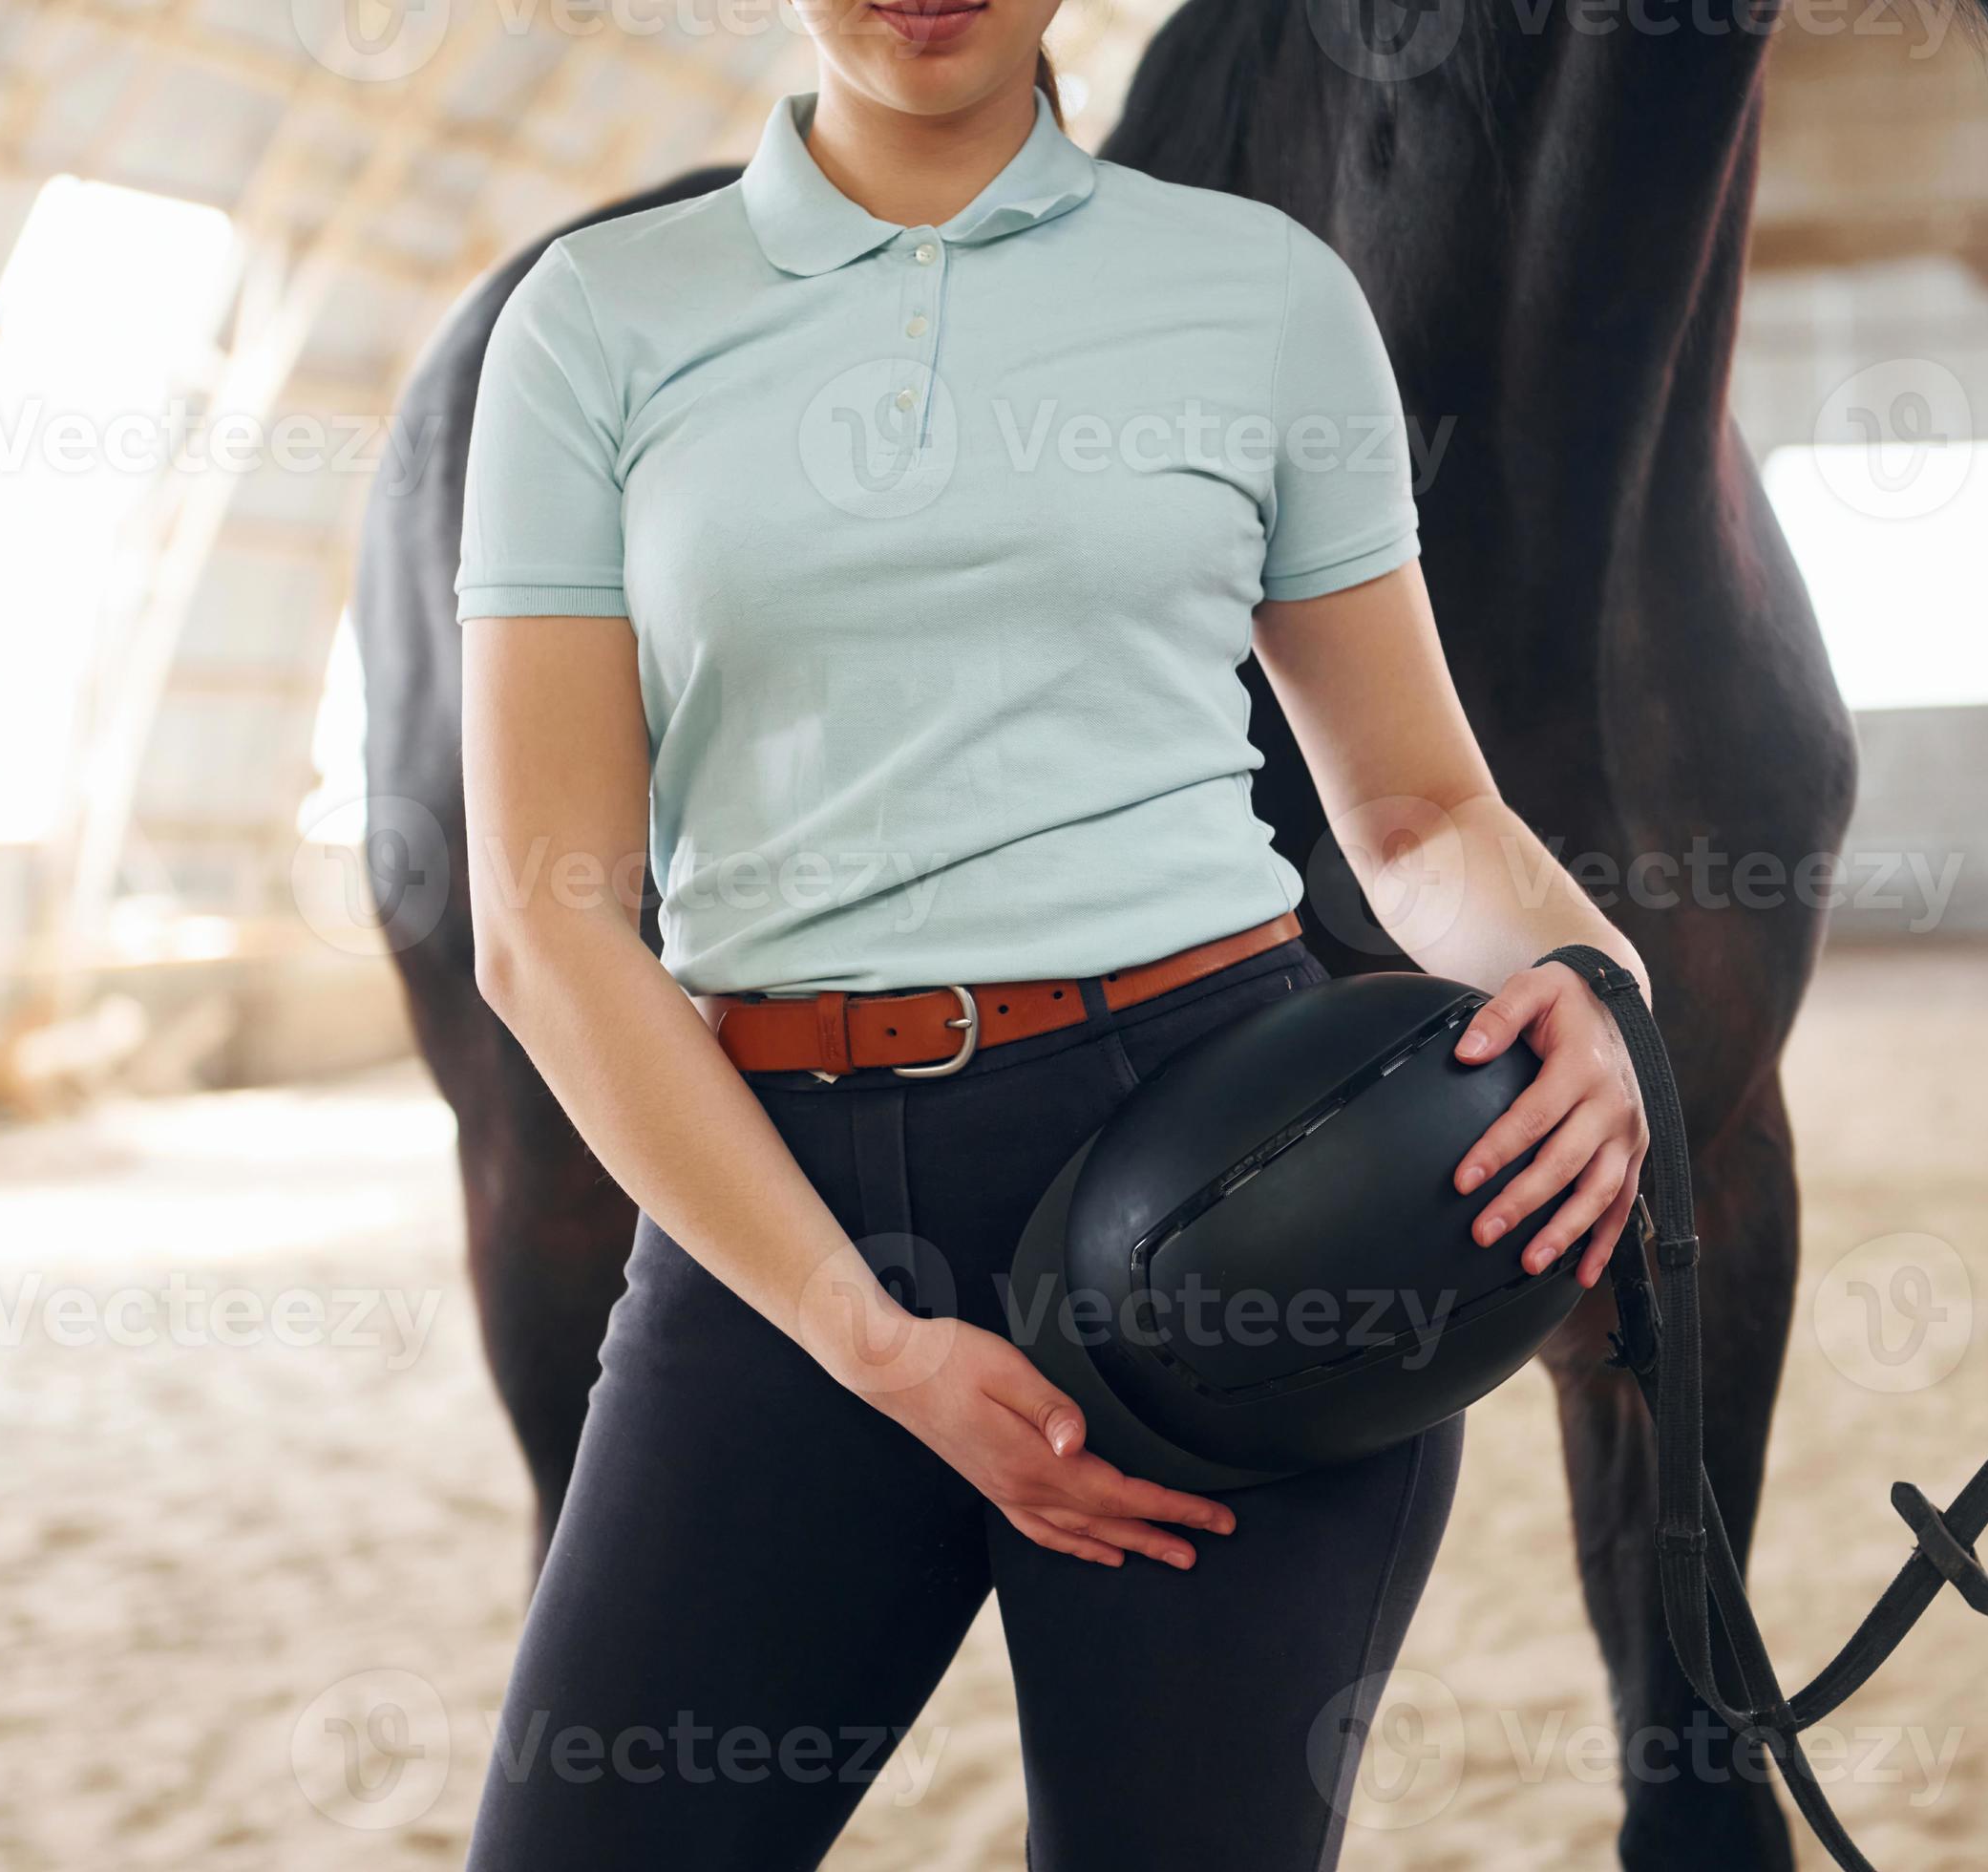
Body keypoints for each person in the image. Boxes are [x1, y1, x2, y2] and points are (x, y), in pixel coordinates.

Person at [454, 1, 1657, 1862]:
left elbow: (1420, 815)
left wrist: (1594, 985)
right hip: (777, 1215)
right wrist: (871, 1342)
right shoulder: (596, 317)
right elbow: (546, 926)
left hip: (1229, 1199)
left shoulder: (1261, 292)